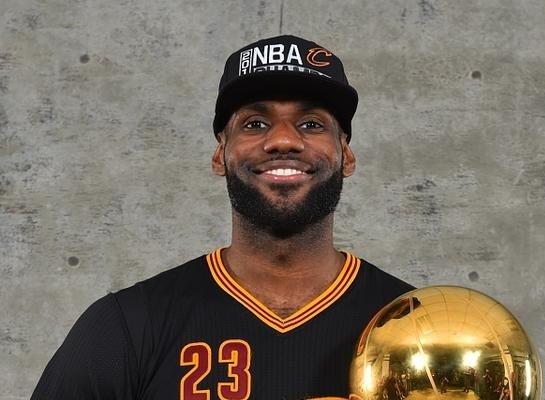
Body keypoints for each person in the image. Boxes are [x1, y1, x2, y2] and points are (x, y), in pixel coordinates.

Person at [31, 35, 414, 399]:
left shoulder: (413, 322)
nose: (283, 140)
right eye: (255, 124)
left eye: (311, 124)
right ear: (220, 155)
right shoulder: (128, 326)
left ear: (346, 155)